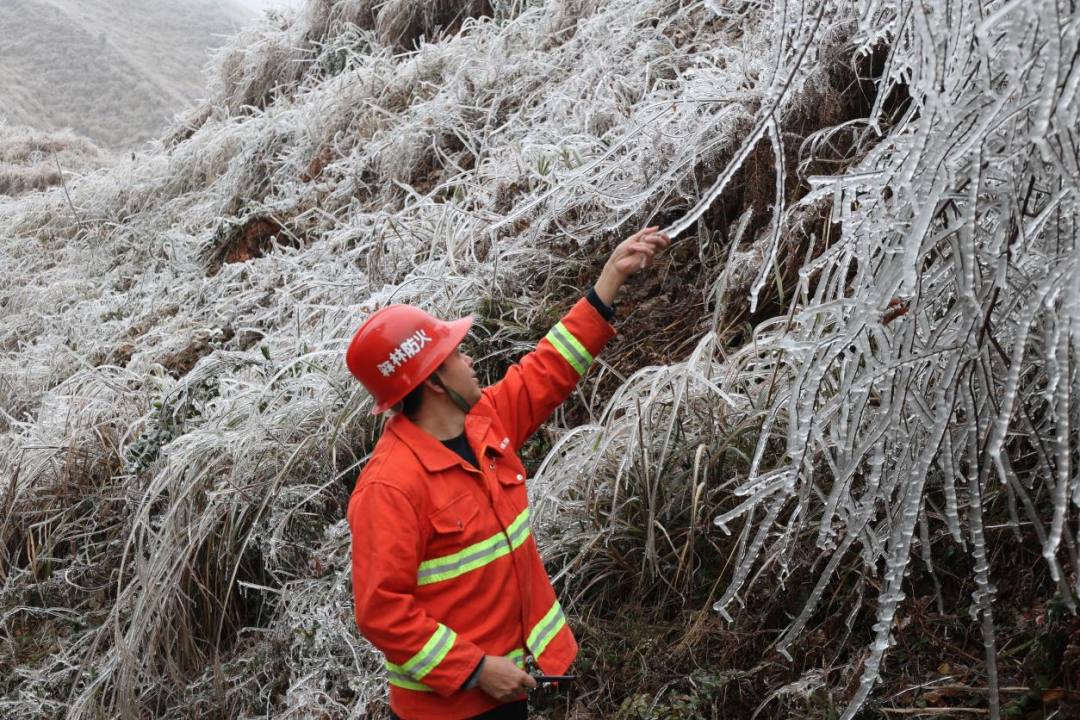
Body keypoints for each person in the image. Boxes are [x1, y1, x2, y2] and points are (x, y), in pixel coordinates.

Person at [345, 227, 671, 719]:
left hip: (507, 691)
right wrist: (475, 669)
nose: (469, 358)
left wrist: (610, 279)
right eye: (455, 354)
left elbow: (546, 371)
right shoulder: (389, 487)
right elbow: (381, 612)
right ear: (434, 382)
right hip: (448, 711)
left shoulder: (483, 423)